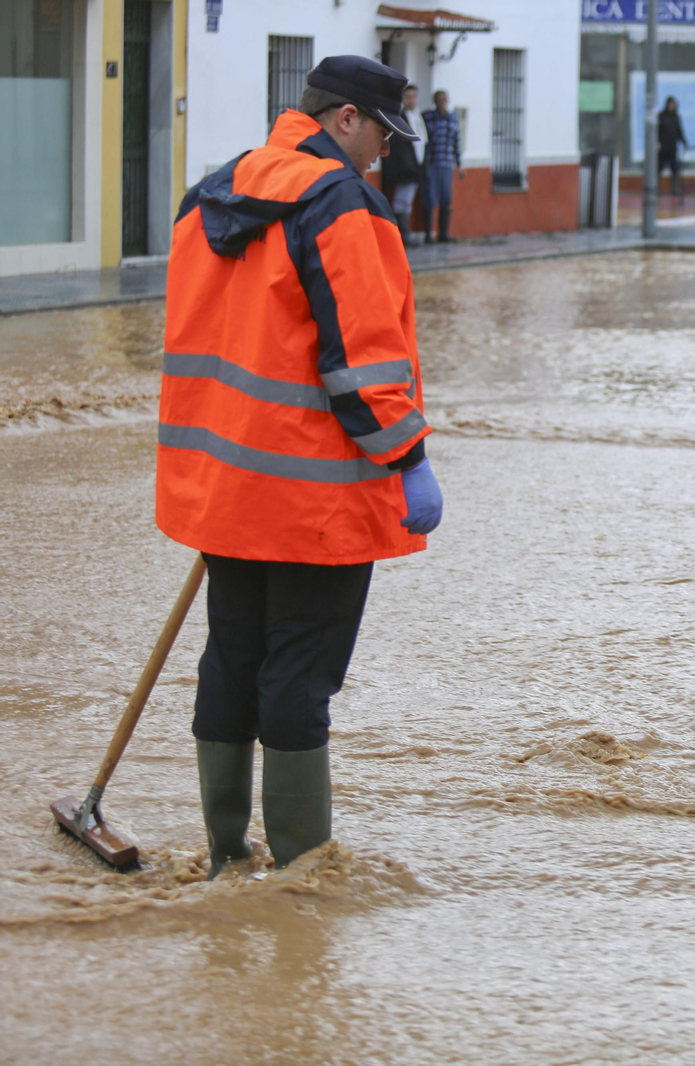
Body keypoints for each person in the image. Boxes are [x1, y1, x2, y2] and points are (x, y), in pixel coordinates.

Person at [157, 55, 443, 877]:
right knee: (299, 674)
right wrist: (408, 458)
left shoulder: (212, 193)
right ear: (343, 119)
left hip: (224, 486)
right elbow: (363, 358)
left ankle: (223, 852)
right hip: (315, 497)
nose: (384, 153)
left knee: (233, 658)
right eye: (381, 134)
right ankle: (300, 873)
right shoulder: (341, 206)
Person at [380, 84, 426, 243]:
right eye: (408, 96)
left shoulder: (419, 117)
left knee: (408, 200)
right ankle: (403, 235)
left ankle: (405, 234)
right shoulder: (400, 118)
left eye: (413, 96)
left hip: (417, 166)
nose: (411, 99)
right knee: (402, 200)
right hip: (405, 168)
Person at [420, 88, 462, 243]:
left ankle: (443, 233)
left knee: (446, 198)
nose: (441, 102)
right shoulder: (428, 117)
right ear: (434, 101)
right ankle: (428, 234)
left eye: (444, 99)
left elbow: (457, 140)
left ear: (447, 101)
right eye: (438, 100)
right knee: (430, 199)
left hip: (446, 164)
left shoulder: (453, 118)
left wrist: (460, 164)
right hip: (431, 164)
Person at [658, 95, 689, 199]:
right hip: (662, 148)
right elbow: (657, 131)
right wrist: (657, 142)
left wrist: (684, 142)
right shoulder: (661, 116)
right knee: (659, 168)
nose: (671, 106)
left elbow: (679, 131)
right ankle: (656, 188)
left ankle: (674, 188)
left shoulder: (676, 117)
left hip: (672, 148)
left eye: (673, 104)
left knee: (675, 169)